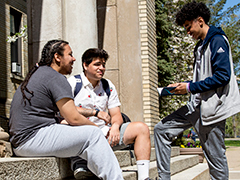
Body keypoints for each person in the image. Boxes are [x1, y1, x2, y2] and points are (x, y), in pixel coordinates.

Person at [9, 40, 124, 180]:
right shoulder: (55, 77)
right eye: (70, 54)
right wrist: (98, 130)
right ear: (57, 57)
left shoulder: (39, 73)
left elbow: (67, 113)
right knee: (93, 134)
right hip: (32, 139)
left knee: (87, 136)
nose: (73, 58)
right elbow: (73, 118)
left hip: (23, 141)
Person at [154, 1, 240, 180]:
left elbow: (223, 76)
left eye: (188, 27)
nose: (187, 32)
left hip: (212, 110)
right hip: (195, 107)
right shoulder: (200, 46)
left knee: (215, 161)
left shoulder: (217, 40)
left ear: (200, 20)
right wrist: (182, 86)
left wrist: (189, 87)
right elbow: (202, 80)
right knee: (161, 130)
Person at [67, 48, 151, 180]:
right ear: (85, 65)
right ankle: (80, 163)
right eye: (97, 64)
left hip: (104, 132)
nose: (101, 68)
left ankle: (144, 177)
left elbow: (116, 113)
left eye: (103, 65)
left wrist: (116, 127)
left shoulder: (107, 85)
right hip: (81, 133)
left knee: (141, 128)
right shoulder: (73, 82)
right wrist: (95, 113)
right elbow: (66, 109)